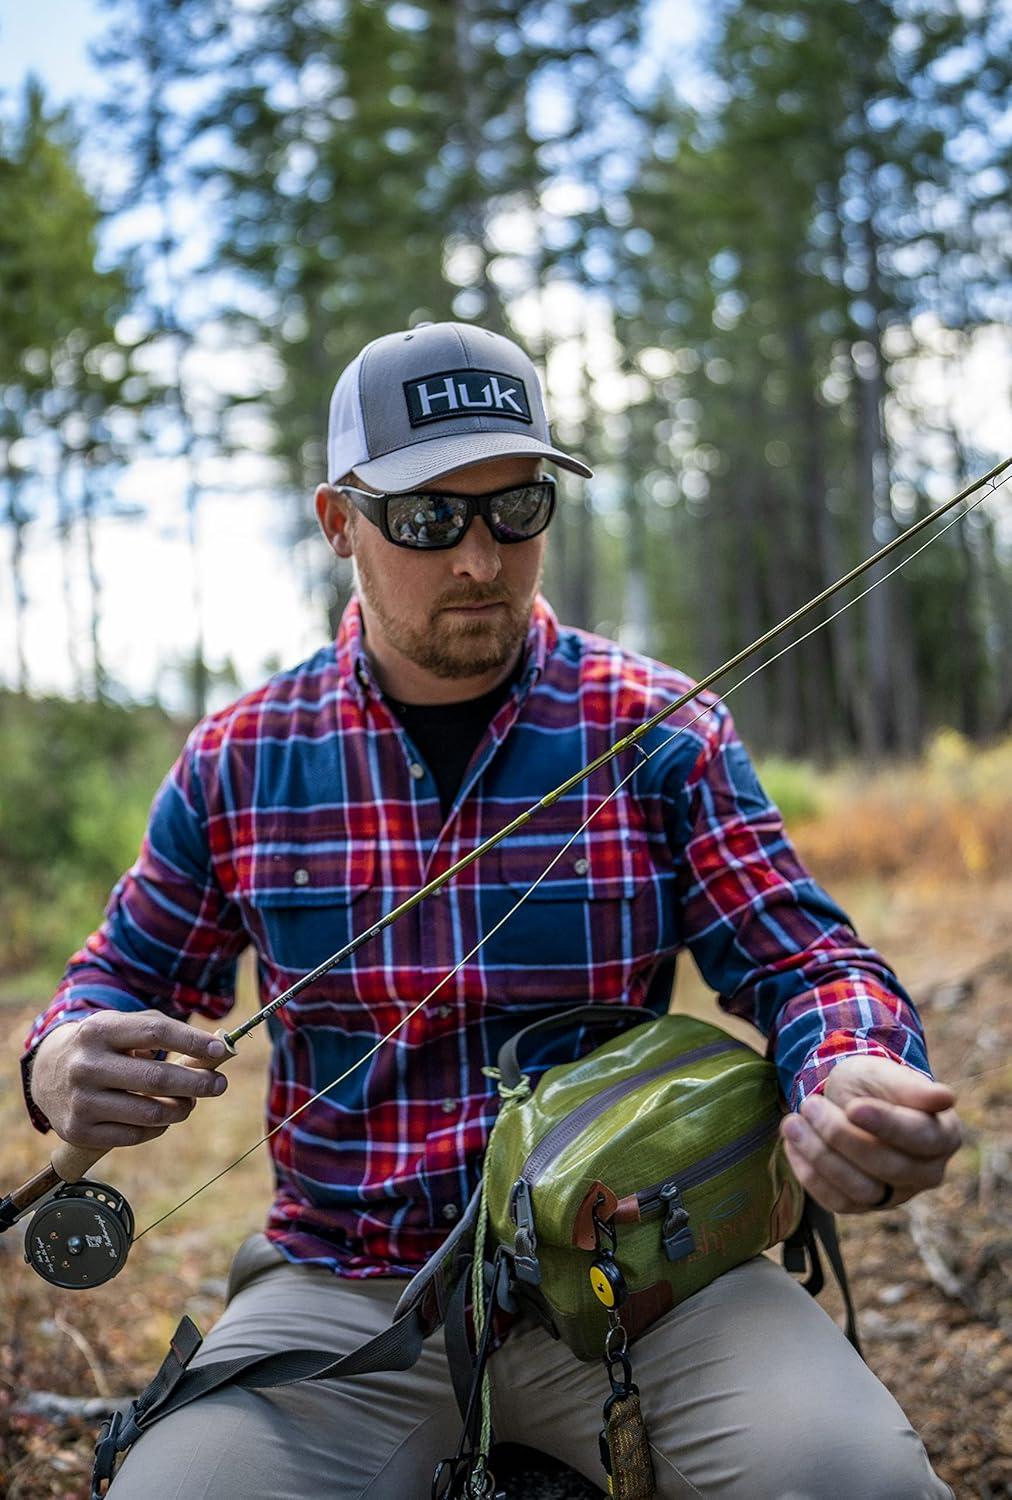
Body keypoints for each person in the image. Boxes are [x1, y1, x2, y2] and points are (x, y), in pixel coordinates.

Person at [22, 322, 960, 1499]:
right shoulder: (240, 758)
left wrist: (853, 1072)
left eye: (515, 508)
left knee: (851, 1479)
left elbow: (809, 962)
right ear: (337, 523)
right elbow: (117, 980)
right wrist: (59, 1057)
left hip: (642, 1268)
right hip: (342, 1290)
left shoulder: (663, 729)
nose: (479, 558)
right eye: (426, 518)